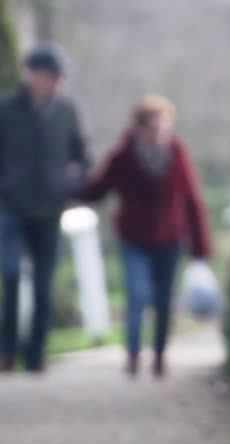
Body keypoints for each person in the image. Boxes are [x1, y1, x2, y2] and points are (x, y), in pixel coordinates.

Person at [78, 94, 212, 378]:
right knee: (137, 295)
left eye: (164, 127)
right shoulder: (124, 155)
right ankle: (133, 353)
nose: (160, 133)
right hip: (134, 238)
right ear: (140, 128)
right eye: (154, 128)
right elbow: (99, 188)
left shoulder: (177, 153)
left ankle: (160, 354)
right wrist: (68, 183)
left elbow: (191, 199)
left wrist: (200, 249)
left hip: (170, 239)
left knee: (164, 300)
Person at [0, 43, 90, 374]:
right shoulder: (7, 110)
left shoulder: (66, 111)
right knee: (10, 274)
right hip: (11, 206)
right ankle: (7, 349)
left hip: (50, 210)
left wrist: (73, 181)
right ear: (34, 76)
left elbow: (80, 155)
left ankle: (35, 354)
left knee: (43, 283)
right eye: (49, 76)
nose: (53, 82)